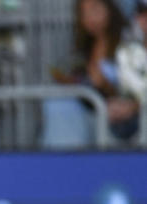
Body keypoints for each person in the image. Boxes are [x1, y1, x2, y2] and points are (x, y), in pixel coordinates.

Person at [43, 0, 147, 146]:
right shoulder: (80, 52)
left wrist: (133, 106)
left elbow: (137, 86)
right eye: (84, 14)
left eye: (95, 9)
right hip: (95, 115)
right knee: (59, 103)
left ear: (109, 9)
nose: (91, 17)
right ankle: (63, 161)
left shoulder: (130, 43)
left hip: (131, 118)